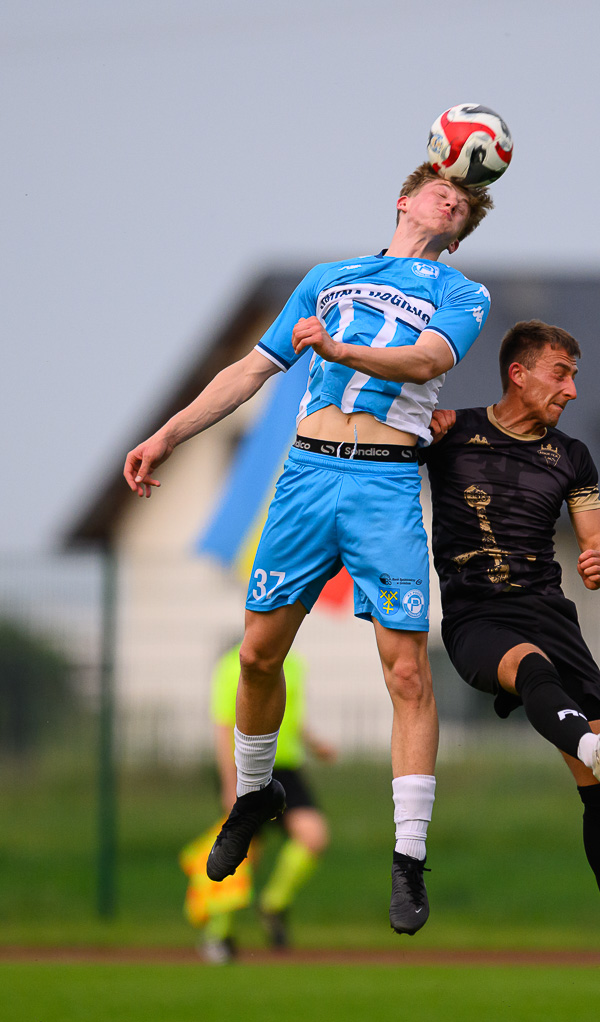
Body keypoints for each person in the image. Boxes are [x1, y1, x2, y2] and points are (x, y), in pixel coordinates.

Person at [124, 164, 494, 936]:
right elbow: (249, 371)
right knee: (257, 656)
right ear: (404, 199)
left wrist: (339, 348)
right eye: (441, 189)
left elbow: (426, 361)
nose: (451, 200)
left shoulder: (461, 293)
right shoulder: (328, 279)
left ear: (460, 233)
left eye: (464, 203)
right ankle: (255, 795)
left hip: (385, 484)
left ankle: (408, 856)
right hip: (306, 476)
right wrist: (167, 435)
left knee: (406, 670)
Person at [423, 320, 600, 1008]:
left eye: (573, 377)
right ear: (519, 373)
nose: (571, 389)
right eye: (560, 374)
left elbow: (593, 529)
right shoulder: (451, 431)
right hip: (478, 617)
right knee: (530, 668)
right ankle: (593, 746)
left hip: (551, 614)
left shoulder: (573, 456)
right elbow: (382, 440)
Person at [183, 644, 334, 963]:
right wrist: (230, 783)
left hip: (287, 767)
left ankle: (273, 904)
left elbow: (289, 715)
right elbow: (224, 727)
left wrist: (314, 744)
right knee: (242, 851)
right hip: (247, 768)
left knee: (313, 835)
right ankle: (218, 933)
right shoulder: (232, 666)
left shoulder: (294, 663)